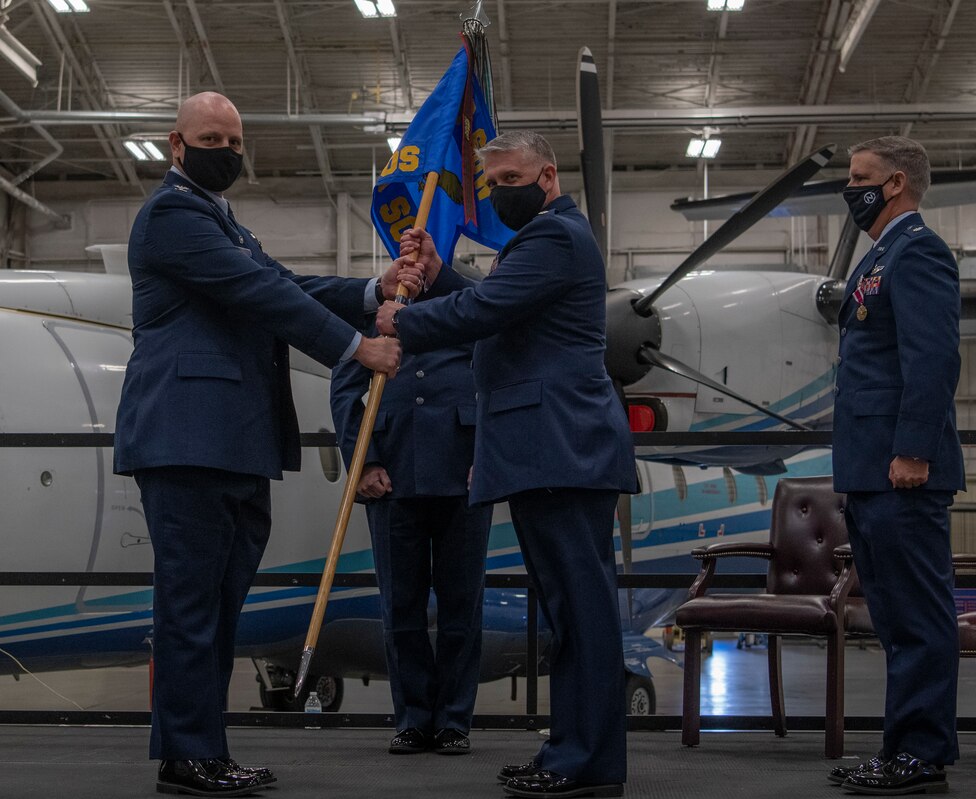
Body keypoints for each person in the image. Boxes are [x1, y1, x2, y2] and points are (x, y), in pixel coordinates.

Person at [113, 91, 417, 798]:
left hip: (234, 441)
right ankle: (188, 755)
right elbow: (258, 293)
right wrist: (357, 347)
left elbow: (284, 282)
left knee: (217, 605)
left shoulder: (225, 224)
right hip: (188, 439)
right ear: (176, 145)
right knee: (192, 605)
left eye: (235, 139)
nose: (227, 152)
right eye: (211, 138)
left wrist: (375, 288)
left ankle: (202, 750)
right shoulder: (172, 216)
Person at [375, 130, 637, 799]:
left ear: (548, 176)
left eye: (509, 180)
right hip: (549, 447)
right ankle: (577, 751)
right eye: (491, 184)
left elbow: (488, 308)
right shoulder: (546, 239)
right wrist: (437, 278)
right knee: (570, 613)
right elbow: (497, 304)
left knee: (580, 613)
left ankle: (585, 756)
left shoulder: (552, 237)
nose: (497, 194)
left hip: (561, 447)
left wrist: (399, 319)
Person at [830, 135, 964, 796]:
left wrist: (913, 449)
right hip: (868, 467)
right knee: (894, 617)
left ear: (896, 185)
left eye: (860, 177)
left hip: (900, 467)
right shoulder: (878, 256)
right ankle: (901, 745)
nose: (849, 188)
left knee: (917, 616)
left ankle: (922, 751)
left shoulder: (920, 252)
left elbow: (933, 360)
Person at [329, 259, 492, 756]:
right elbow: (345, 392)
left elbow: (495, 379)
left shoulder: (468, 309)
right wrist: (364, 462)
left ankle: (454, 722)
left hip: (462, 473)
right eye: (404, 266)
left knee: (462, 606)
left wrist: (486, 457)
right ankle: (413, 718)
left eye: (420, 265)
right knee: (400, 606)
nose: (412, 273)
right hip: (392, 474)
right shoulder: (372, 315)